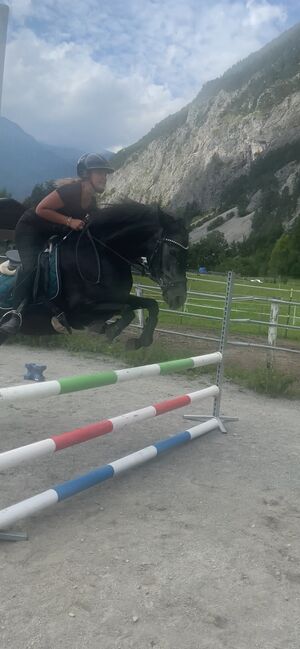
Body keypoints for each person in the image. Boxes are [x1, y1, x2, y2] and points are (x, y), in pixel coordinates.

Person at [0, 153, 114, 335]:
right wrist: (69, 221)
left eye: (105, 174)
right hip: (31, 230)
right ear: (86, 174)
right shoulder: (71, 191)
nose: (104, 177)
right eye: (100, 172)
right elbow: (41, 209)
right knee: (32, 266)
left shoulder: (91, 201)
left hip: (53, 233)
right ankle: (15, 314)